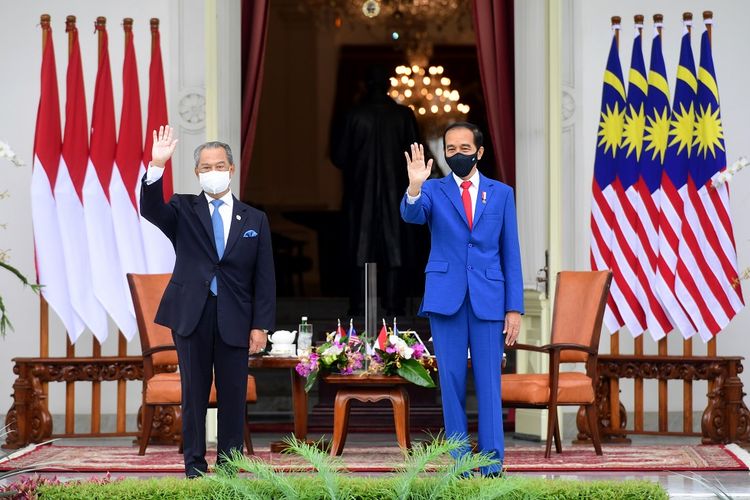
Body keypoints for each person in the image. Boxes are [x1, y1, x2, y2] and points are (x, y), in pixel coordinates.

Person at [140, 125, 275, 477]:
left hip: (236, 316)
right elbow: (150, 208)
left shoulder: (255, 219)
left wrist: (261, 325)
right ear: (197, 173)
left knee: (232, 396)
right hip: (192, 315)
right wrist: (156, 165)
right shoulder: (183, 208)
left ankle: (230, 467)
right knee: (194, 394)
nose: (212, 172)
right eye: (204, 167)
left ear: (231, 169)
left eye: (218, 166)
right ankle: (195, 467)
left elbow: (264, 278)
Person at [400, 122, 523, 476]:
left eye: (464, 149)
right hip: (446, 297)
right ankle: (459, 464)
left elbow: (510, 252)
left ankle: (491, 464)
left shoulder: (501, 193)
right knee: (451, 381)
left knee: (489, 382)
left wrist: (513, 308)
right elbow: (411, 215)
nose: (457, 155)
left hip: (488, 297)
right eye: (450, 149)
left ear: (479, 152)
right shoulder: (434, 190)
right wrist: (414, 185)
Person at [331, 65, 420, 317]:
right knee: (395, 248)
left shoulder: (353, 115)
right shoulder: (403, 116)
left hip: (361, 194)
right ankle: (395, 307)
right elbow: (417, 154)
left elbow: (338, 156)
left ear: (366, 85)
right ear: (388, 85)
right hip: (397, 193)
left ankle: (360, 307)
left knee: (361, 247)